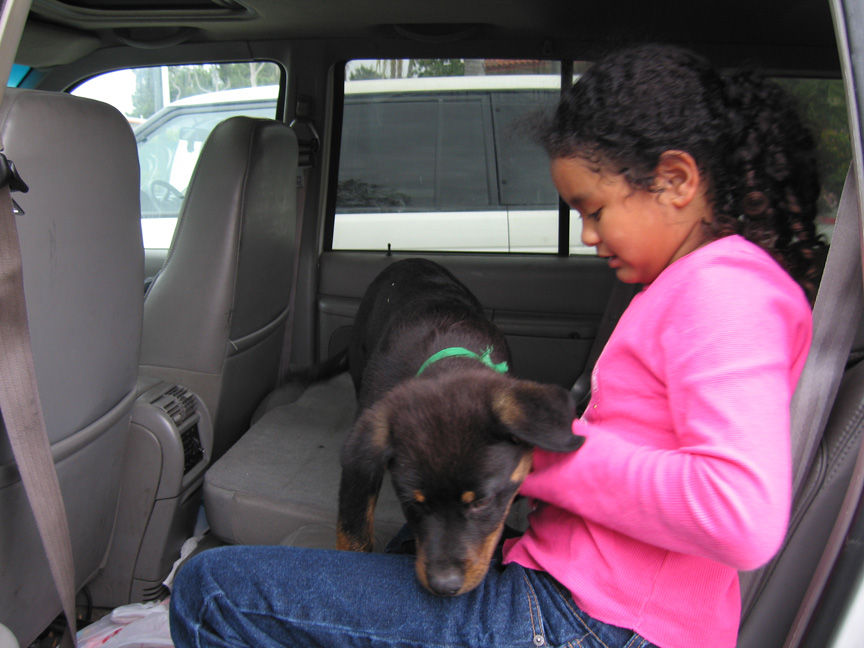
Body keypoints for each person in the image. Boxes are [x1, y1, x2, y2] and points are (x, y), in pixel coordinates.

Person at [169, 43, 822, 648]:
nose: (589, 236)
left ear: (677, 180)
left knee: (212, 589)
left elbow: (741, 516)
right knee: (409, 544)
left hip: (596, 622)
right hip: (580, 591)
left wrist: (536, 464)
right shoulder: (691, 285)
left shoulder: (726, 291)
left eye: (595, 210)